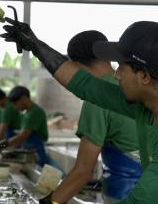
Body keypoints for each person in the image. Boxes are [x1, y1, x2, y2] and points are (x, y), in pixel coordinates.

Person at [1, 19, 158, 204]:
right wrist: (36, 45)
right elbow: (86, 85)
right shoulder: (147, 103)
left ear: (144, 76)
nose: (116, 75)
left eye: (121, 67)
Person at [47, 30, 141, 204]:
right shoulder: (135, 91)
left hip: (124, 196)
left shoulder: (97, 101)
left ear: (74, 66)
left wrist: (51, 201)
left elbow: (83, 171)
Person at [0, 86, 54, 167]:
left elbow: (22, 136)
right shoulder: (27, 113)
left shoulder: (35, 112)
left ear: (24, 98)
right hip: (29, 151)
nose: (15, 107)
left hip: (37, 152)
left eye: (15, 104)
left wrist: (1, 145)